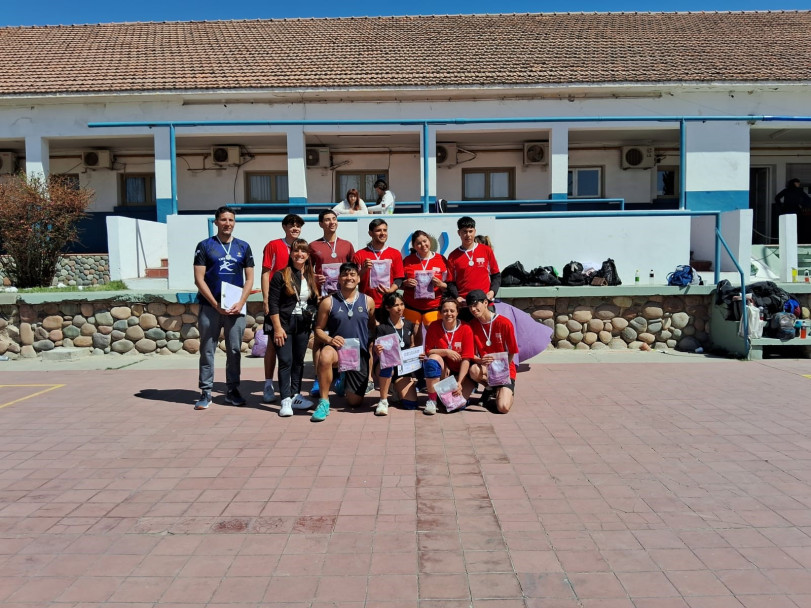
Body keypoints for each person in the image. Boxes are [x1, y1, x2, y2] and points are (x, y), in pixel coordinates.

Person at [192, 206, 255, 410]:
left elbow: (250, 278)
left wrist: (241, 301)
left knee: (235, 350)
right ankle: (206, 391)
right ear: (216, 222)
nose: (227, 223)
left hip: (235, 307)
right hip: (210, 307)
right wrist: (215, 304)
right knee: (207, 349)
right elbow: (198, 279)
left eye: (231, 220)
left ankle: (233, 390)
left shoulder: (243, 247)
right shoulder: (204, 246)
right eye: (223, 220)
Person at [312, 263, 376, 422]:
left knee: (354, 402)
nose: (349, 278)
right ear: (339, 279)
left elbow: (373, 327)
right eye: (345, 275)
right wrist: (330, 340)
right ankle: (324, 402)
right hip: (337, 350)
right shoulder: (328, 302)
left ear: (359, 279)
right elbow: (318, 329)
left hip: (358, 354)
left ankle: (344, 381)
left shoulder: (368, 301)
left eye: (353, 274)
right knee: (326, 355)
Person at [267, 239, 320, 417]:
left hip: (303, 325)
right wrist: (277, 328)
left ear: (308, 255)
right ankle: (285, 399)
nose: (300, 254)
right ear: (291, 253)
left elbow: (312, 300)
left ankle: (296, 395)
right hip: (284, 324)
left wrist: (312, 314)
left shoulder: (310, 275)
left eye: (303, 251)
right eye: (297, 251)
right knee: (285, 361)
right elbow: (273, 304)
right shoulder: (281, 275)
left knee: (298, 361)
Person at [260, 214, 304, 404]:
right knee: (273, 344)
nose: (295, 228)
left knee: (293, 351)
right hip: (276, 302)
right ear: (284, 227)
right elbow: (265, 272)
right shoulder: (273, 245)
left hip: (295, 308)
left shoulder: (302, 248)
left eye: (298, 225)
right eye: (291, 225)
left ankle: (293, 391)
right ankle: (268, 384)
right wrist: (266, 299)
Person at [465, 290, 518, 414]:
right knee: (474, 370)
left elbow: (512, 351)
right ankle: (491, 388)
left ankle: (503, 392)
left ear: (485, 303)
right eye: (470, 306)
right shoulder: (471, 325)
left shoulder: (504, 323)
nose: (473, 309)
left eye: (475, 305)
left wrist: (503, 372)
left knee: (503, 408)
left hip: (505, 369)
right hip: (486, 368)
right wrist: (479, 360)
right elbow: (469, 353)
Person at [422, 297, 475, 415]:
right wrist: (446, 352)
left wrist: (459, 383)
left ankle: (455, 391)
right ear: (440, 312)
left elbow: (466, 358)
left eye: (452, 310)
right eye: (445, 311)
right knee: (432, 361)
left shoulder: (466, 328)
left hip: (461, 374)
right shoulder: (434, 326)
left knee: (457, 406)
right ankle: (432, 401)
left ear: (457, 312)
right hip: (444, 371)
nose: (448, 314)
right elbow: (428, 351)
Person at [445, 216, 501, 322]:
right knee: (466, 336)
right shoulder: (453, 256)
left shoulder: (486, 250)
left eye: (471, 231)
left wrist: (492, 292)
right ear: (459, 233)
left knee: (488, 335)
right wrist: (457, 297)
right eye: (464, 232)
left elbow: (496, 275)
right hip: (465, 304)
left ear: (475, 231)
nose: (468, 235)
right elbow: (450, 282)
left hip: (485, 303)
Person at [373, 292, 419, 416]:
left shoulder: (409, 325)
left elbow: (413, 345)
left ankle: (395, 389)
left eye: (402, 304)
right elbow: (377, 349)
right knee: (388, 365)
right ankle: (383, 401)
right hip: (385, 366)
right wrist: (378, 350)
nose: (400, 308)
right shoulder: (382, 328)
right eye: (395, 305)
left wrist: (416, 355)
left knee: (411, 405)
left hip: (403, 368)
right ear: (387, 308)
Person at [402, 230, 448, 343]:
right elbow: (399, 282)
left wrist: (441, 284)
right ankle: (417, 360)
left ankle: (435, 359)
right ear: (413, 246)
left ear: (429, 240)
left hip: (434, 306)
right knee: (414, 338)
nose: (423, 245)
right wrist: (405, 283)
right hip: (412, 305)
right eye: (418, 243)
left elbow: (449, 285)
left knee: (437, 338)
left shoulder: (441, 259)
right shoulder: (408, 261)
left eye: (424, 241)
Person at [353, 218, 405, 315]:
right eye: (378, 230)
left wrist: (390, 290)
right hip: (366, 303)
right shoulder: (360, 254)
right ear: (370, 233)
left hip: (388, 304)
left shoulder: (395, 253)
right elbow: (352, 280)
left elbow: (399, 278)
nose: (382, 233)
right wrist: (363, 270)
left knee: (387, 330)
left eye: (385, 230)